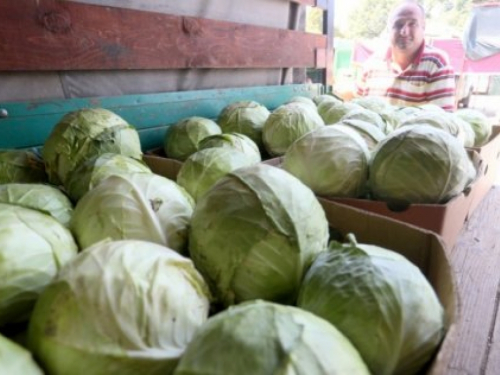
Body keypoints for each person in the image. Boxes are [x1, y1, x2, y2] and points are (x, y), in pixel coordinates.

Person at [345, 1, 457, 111]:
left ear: (423, 26)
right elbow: (356, 106)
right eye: (398, 24)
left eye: (412, 24)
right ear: (389, 28)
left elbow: (444, 120)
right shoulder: (372, 64)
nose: (404, 31)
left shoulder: (437, 63)